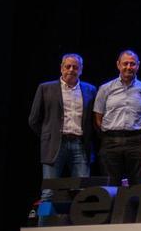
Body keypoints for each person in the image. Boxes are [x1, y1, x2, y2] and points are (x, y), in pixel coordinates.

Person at [29, 54, 97, 204]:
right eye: (68, 66)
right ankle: (43, 227)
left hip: (80, 145)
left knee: (82, 192)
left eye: (75, 67)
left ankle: (77, 227)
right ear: (61, 68)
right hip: (54, 145)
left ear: (81, 70)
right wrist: (49, 136)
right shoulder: (45, 88)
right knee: (48, 192)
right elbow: (34, 120)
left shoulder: (90, 90)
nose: (71, 70)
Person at [93, 50, 141, 186]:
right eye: (125, 63)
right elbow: (98, 118)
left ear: (138, 66)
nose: (128, 67)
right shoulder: (105, 89)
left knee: (138, 185)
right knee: (110, 186)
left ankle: (137, 207)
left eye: (132, 64)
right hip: (111, 142)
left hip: (137, 141)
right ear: (118, 65)